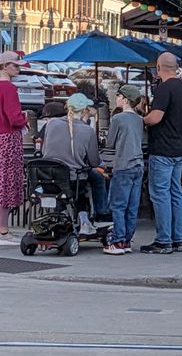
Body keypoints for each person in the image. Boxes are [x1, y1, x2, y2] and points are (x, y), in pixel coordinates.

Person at [141, 53, 182, 254]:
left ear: (159, 67)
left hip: (163, 149)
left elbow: (155, 118)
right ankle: (178, 239)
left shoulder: (163, 89)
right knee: (176, 193)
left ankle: (163, 241)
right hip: (180, 147)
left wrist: (141, 118)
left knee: (160, 194)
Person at [41, 93, 107, 235]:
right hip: (74, 179)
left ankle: (63, 217)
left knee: (62, 187)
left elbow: (44, 150)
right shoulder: (87, 130)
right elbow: (94, 161)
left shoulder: (51, 124)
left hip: (48, 177)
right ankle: (98, 215)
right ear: (84, 110)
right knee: (96, 177)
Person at [104, 85, 145, 255]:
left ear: (126, 100)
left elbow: (110, 143)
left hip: (123, 164)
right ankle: (127, 240)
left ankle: (118, 241)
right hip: (138, 164)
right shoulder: (139, 119)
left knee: (118, 205)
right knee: (132, 206)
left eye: (119, 96)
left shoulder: (118, 119)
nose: (117, 98)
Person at [0, 52, 29, 245]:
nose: (18, 69)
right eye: (15, 65)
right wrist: (25, 118)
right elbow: (14, 118)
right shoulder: (9, 88)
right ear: (4, 66)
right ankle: (3, 229)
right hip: (8, 139)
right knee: (7, 184)